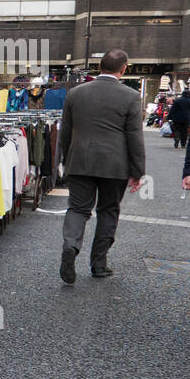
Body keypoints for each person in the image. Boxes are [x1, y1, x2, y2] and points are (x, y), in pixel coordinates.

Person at [58, 48, 145, 283]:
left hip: (80, 160)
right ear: (124, 68)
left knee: (77, 209)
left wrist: (68, 160)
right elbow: (135, 136)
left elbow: (65, 132)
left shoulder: (76, 93)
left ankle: (71, 247)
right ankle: (99, 264)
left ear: (99, 67)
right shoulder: (130, 96)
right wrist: (137, 171)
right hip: (115, 164)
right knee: (108, 210)